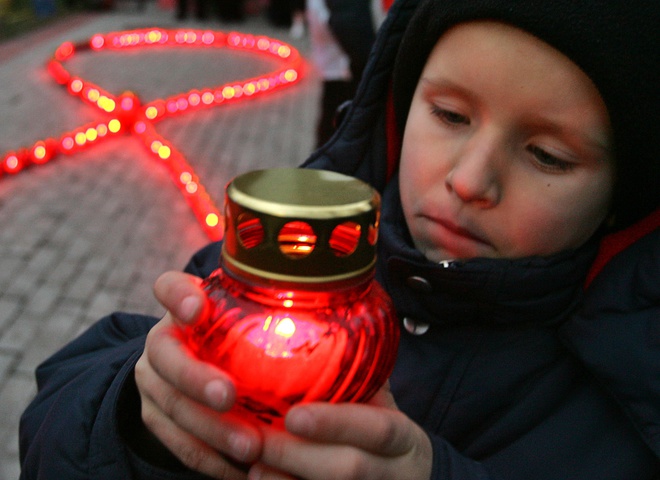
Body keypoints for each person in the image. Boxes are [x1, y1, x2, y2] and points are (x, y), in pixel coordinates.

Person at [19, 0, 659, 479]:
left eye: (547, 155)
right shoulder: (253, 273)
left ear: (622, 201)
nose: (469, 181)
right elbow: (50, 429)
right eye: (451, 115)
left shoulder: (626, 404)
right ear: (397, 108)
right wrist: (135, 413)